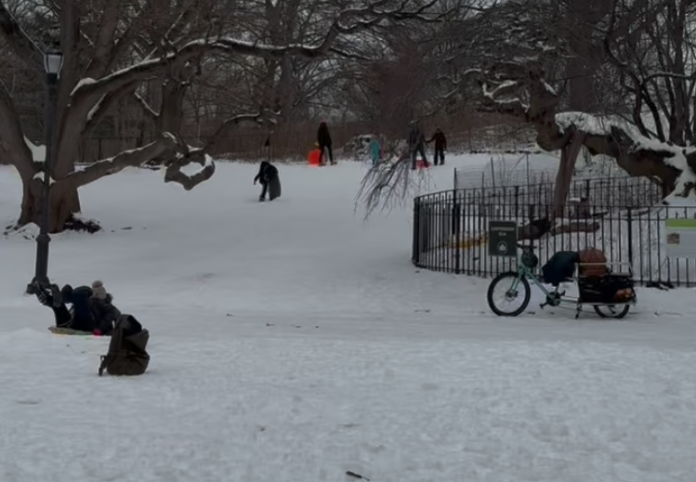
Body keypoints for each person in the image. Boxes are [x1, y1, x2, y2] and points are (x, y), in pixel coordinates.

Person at [34, 280, 121, 335]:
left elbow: (114, 316)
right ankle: (51, 300)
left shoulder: (104, 305)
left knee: (81, 297)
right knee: (60, 308)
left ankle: (55, 298)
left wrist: (100, 329)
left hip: (91, 326)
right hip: (76, 324)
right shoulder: (91, 302)